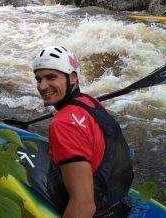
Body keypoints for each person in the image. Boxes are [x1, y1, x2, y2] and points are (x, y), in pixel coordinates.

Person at [33, 46, 133, 218]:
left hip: (95, 207)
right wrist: (63, 114)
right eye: (38, 79)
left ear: (72, 77)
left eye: (51, 77)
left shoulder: (62, 124)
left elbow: (84, 206)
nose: (42, 86)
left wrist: (62, 120)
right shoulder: (90, 102)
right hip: (115, 193)